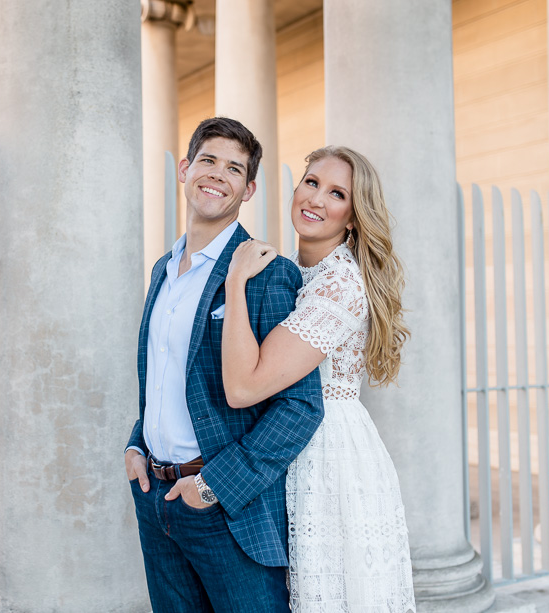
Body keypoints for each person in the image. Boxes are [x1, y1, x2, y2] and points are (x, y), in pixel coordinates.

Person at [125, 117, 324, 613]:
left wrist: (214, 486)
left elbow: (300, 406)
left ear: (249, 188)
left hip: (225, 508)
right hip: (156, 498)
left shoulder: (267, 272)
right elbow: (167, 376)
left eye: (234, 168)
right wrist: (135, 446)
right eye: (208, 160)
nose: (218, 174)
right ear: (186, 169)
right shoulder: (163, 269)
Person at [222, 146, 416, 612]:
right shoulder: (290, 270)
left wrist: (234, 284)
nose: (316, 199)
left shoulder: (339, 286)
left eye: (337, 193)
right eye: (311, 182)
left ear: (352, 216)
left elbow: (245, 386)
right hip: (283, 438)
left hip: (328, 451)